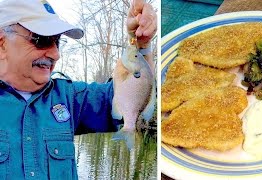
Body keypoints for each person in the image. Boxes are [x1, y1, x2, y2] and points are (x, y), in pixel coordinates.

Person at [0, 0, 157, 179]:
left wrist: (140, 44)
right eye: (41, 40)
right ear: (2, 44)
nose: (55, 54)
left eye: (57, 42)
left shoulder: (71, 98)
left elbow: (133, 95)